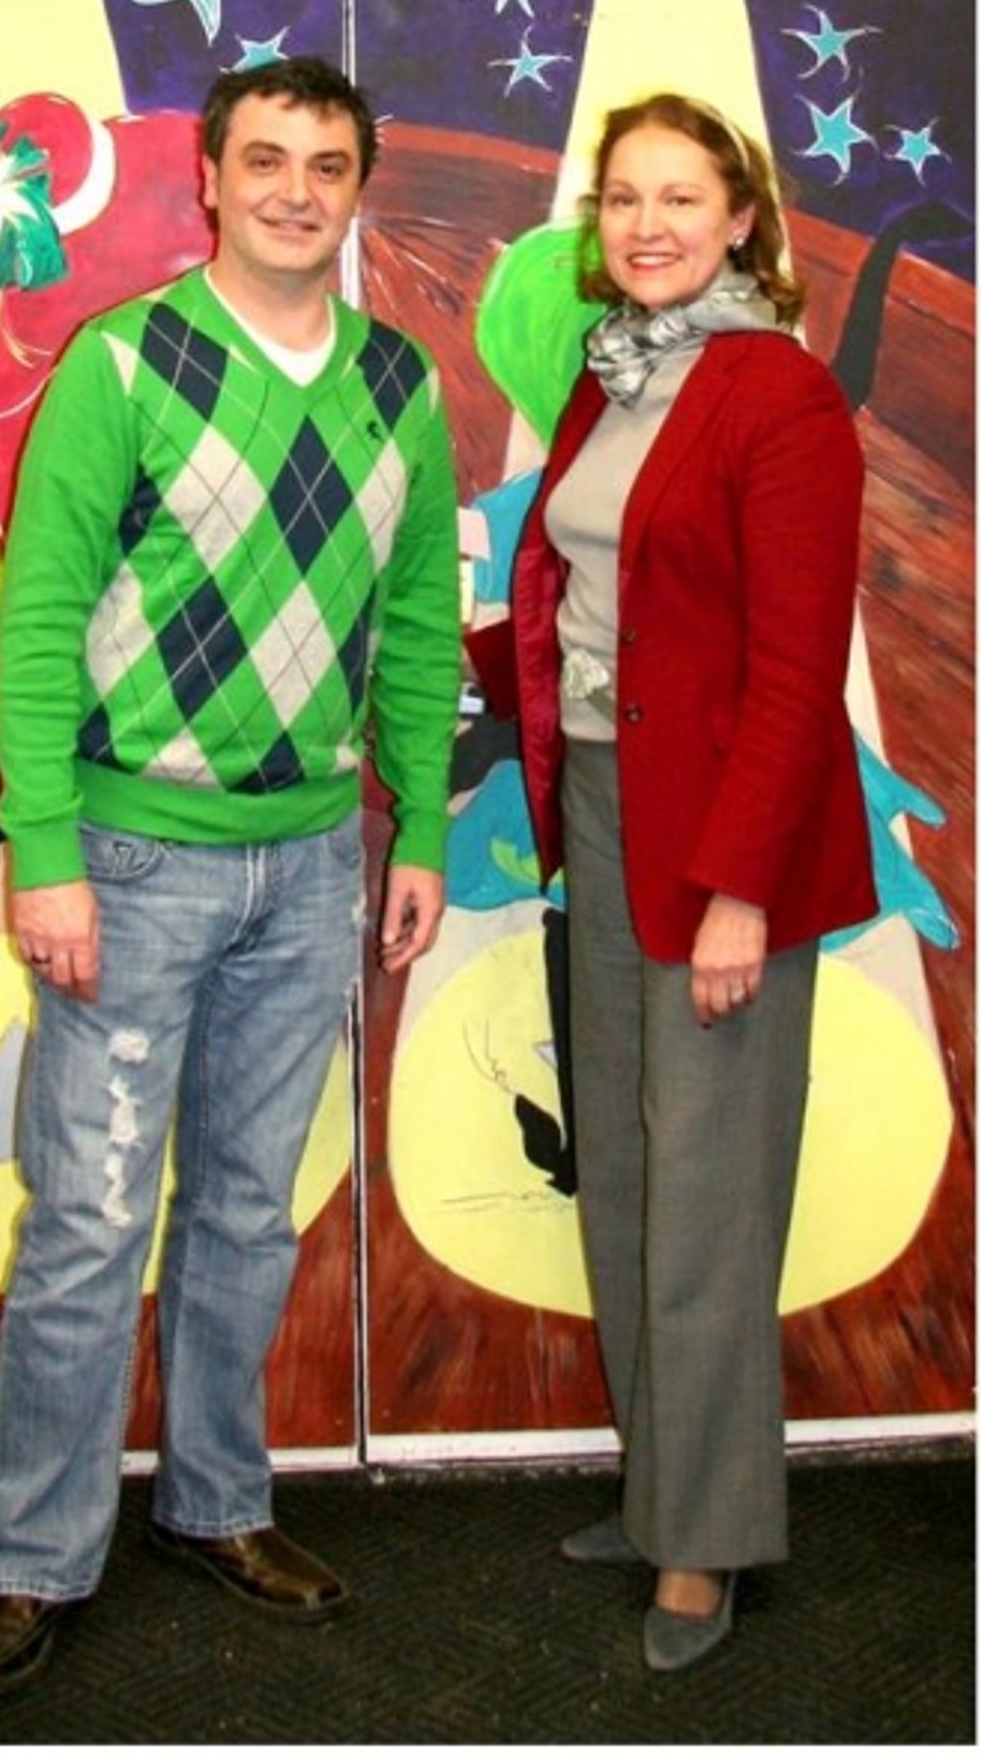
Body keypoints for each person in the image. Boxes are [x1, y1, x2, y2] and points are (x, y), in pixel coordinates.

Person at [0, 56, 461, 1699]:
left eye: (328, 165)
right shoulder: (123, 362)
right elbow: (38, 620)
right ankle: (32, 1560)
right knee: (90, 1221)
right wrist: (44, 855)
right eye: (268, 160)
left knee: (244, 1211)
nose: (298, 191)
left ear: (356, 189)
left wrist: (420, 830)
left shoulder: (399, 382)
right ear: (211, 181)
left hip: (307, 867)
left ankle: (219, 1505)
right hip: (130, 862)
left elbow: (421, 623)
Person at [470, 92, 877, 1672]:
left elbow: (794, 669)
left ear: (742, 220)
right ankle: (661, 1492)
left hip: (725, 838)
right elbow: (597, 608)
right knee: (631, 1175)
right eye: (624, 198)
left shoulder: (777, 393)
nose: (647, 225)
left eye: (681, 199)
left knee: (707, 1195)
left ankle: (707, 1542)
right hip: (603, 803)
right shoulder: (615, 373)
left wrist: (740, 893)